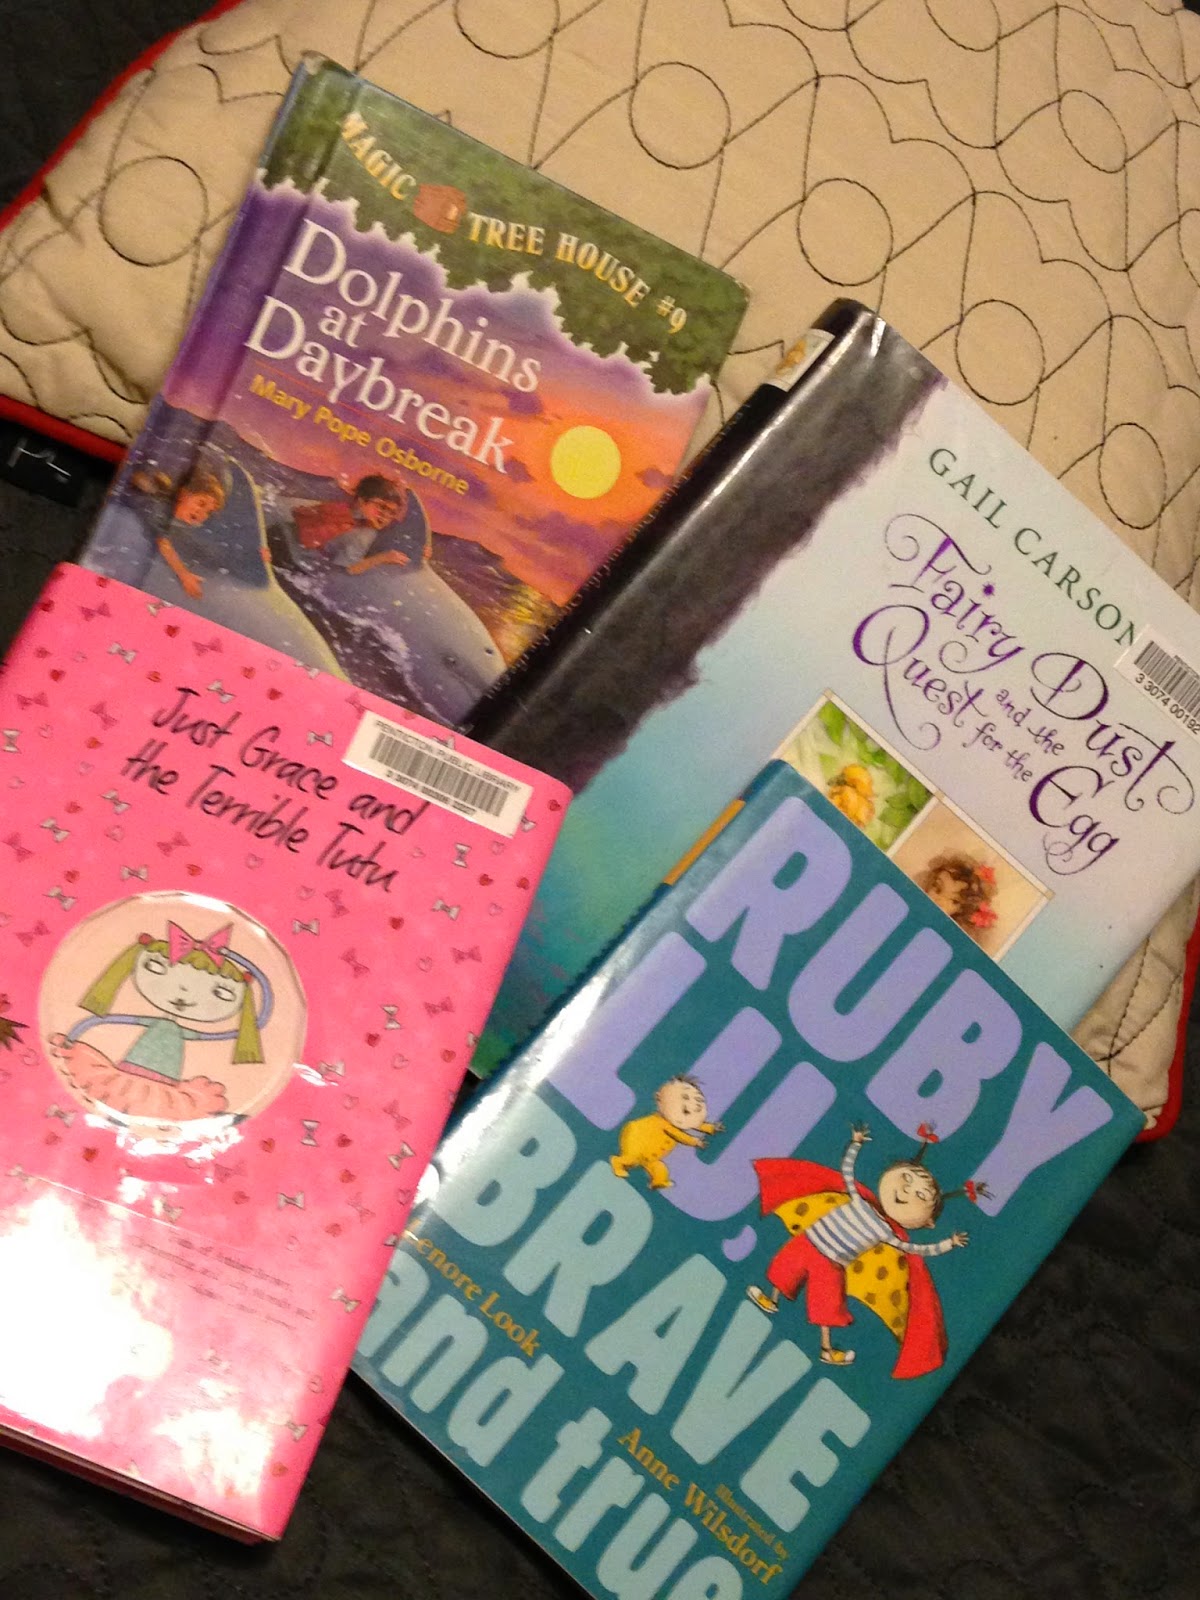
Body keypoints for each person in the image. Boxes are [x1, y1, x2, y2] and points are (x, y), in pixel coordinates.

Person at [747, 1122, 984, 1376]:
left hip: (831, 1263)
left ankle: (827, 1349)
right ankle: (771, 1299)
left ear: (928, 1222)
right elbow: (847, 1172)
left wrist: (949, 1243)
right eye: (906, 1177)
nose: (906, 1190)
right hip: (809, 1241)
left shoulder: (887, 1233)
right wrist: (855, 1144)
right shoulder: (859, 1200)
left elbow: (917, 1249)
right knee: (783, 1268)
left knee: (825, 1306)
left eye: (921, 1196)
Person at [271, 475, 505, 725]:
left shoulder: (361, 526)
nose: (384, 515)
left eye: (390, 512)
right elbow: (348, 569)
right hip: (287, 548)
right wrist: (383, 558)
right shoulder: (360, 536)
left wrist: (415, 549)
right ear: (362, 501)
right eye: (380, 507)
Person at [82, 454, 345, 676]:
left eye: (208, 511)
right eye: (202, 505)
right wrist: (184, 575)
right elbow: (164, 544)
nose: (202, 514)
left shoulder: (173, 514)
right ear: (186, 494)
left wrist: (258, 554)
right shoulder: (158, 514)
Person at [48, 919, 273, 1124]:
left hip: (166, 1081)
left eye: (221, 993)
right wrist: (82, 1030)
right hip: (130, 1070)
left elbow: (114, 1020)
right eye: (155, 968)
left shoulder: (177, 1030)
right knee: (120, 1092)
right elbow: (116, 1020)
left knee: (161, 1102)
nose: (184, 993)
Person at [610, 1075, 724, 1190]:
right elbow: (678, 1135)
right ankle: (617, 1162)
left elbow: (692, 1123)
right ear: (659, 1099)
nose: (692, 1104)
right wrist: (695, 1142)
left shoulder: (679, 1120)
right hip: (637, 1139)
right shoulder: (663, 1123)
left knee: (659, 1167)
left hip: (652, 1155)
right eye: (685, 1097)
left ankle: (659, 1181)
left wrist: (710, 1128)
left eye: (699, 1100)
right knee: (631, 1159)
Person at [915, 851, 999, 940]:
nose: (939, 900)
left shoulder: (947, 937)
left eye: (953, 901)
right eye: (937, 888)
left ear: (961, 910)